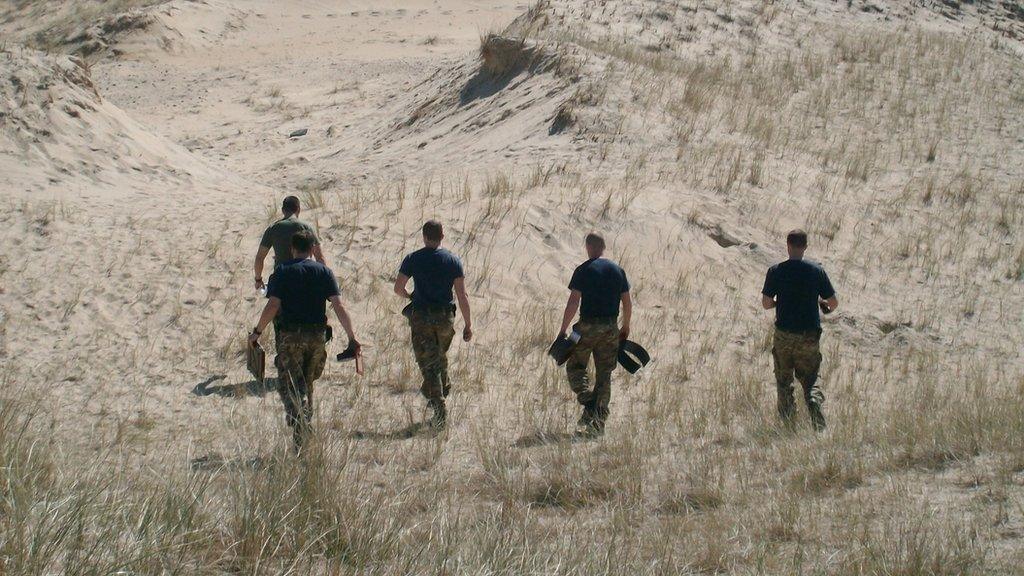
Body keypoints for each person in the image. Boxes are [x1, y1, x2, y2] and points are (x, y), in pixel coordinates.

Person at [249, 230, 359, 450]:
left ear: (292, 249)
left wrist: (257, 332)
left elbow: (272, 305)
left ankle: (299, 421)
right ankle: (303, 430)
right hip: (317, 336)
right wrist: (352, 338)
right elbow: (339, 306)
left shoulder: (282, 271)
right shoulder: (324, 272)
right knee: (306, 383)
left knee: (288, 384)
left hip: (291, 336)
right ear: (312, 250)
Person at [393, 220, 472, 429]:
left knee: (428, 362)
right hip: (445, 316)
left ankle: (439, 404)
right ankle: (442, 388)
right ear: (442, 236)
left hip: (421, 316)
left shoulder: (413, 259)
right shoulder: (453, 260)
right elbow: (462, 295)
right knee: (439, 355)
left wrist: (410, 295)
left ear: (424, 236)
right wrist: (468, 324)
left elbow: (398, 288)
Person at [761, 229, 838, 431]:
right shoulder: (816, 271)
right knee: (811, 378)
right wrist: (821, 304)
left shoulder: (776, 271)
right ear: (805, 247)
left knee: (784, 380)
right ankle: (815, 409)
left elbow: (766, 304)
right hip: (809, 334)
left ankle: (788, 426)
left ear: (788, 246)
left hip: (784, 333)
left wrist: (781, 301)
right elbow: (833, 303)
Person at [557, 232, 632, 437]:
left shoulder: (583, 270)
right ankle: (598, 421)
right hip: (610, 328)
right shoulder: (618, 271)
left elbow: (573, 302)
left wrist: (563, 329)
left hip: (587, 327)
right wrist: (625, 327)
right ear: (603, 247)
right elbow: (626, 301)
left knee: (575, 366)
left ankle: (588, 401)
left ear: (589, 247)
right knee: (604, 373)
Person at [254, 196, 326, 292]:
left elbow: (260, 257)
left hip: (281, 278)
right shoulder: (306, 228)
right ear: (298, 209)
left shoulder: (273, 228)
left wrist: (258, 279)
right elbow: (320, 257)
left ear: (283, 210)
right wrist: (323, 280)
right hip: (304, 277)